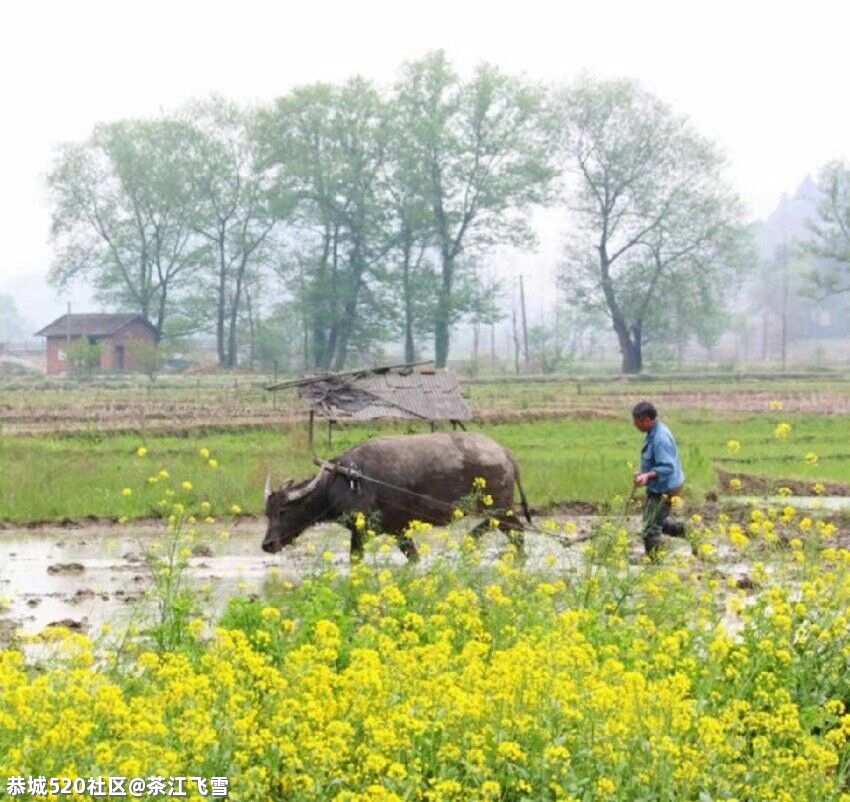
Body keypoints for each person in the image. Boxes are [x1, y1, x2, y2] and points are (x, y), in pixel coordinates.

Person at [631, 401, 686, 559]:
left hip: (666, 488)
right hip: (661, 485)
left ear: (646, 420)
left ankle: (654, 563)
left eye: (636, 422)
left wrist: (647, 475)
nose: (635, 426)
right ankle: (686, 531)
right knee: (654, 520)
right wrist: (643, 472)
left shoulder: (660, 438)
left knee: (650, 528)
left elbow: (668, 467)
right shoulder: (653, 432)